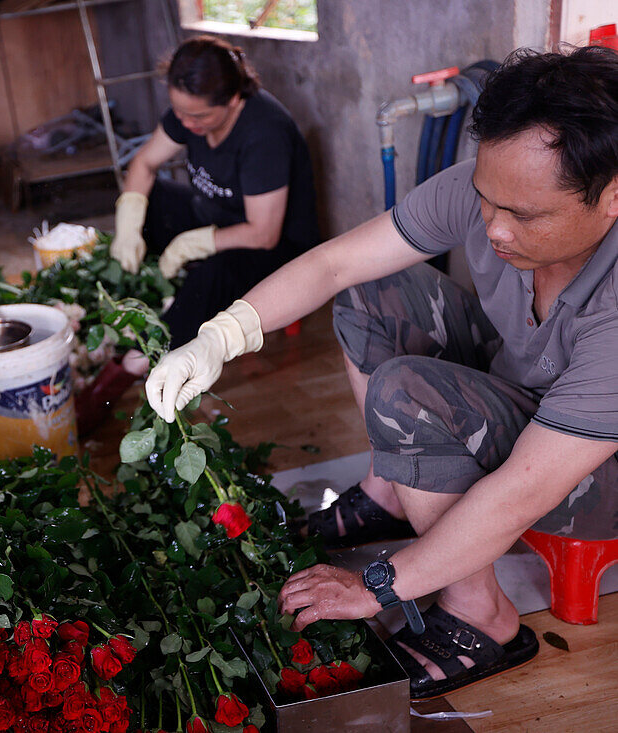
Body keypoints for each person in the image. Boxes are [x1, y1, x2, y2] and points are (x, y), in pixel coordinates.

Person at [144, 44, 618, 700]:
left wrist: (379, 585)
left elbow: (522, 490)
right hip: (529, 390)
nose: (494, 227)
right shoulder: (499, 190)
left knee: (406, 393)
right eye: (486, 199)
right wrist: (219, 337)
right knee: (375, 291)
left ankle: (483, 614)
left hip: (593, 474)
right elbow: (338, 264)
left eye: (524, 215)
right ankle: (393, 490)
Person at [74, 36, 319, 436]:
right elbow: (145, 163)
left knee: (214, 275)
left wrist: (192, 244)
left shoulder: (264, 133)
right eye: (179, 113)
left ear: (234, 99)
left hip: (273, 248)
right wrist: (129, 225)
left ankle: (135, 364)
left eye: (198, 118)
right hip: (214, 218)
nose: (186, 125)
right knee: (149, 201)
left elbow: (264, 232)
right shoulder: (190, 109)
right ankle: (150, 298)